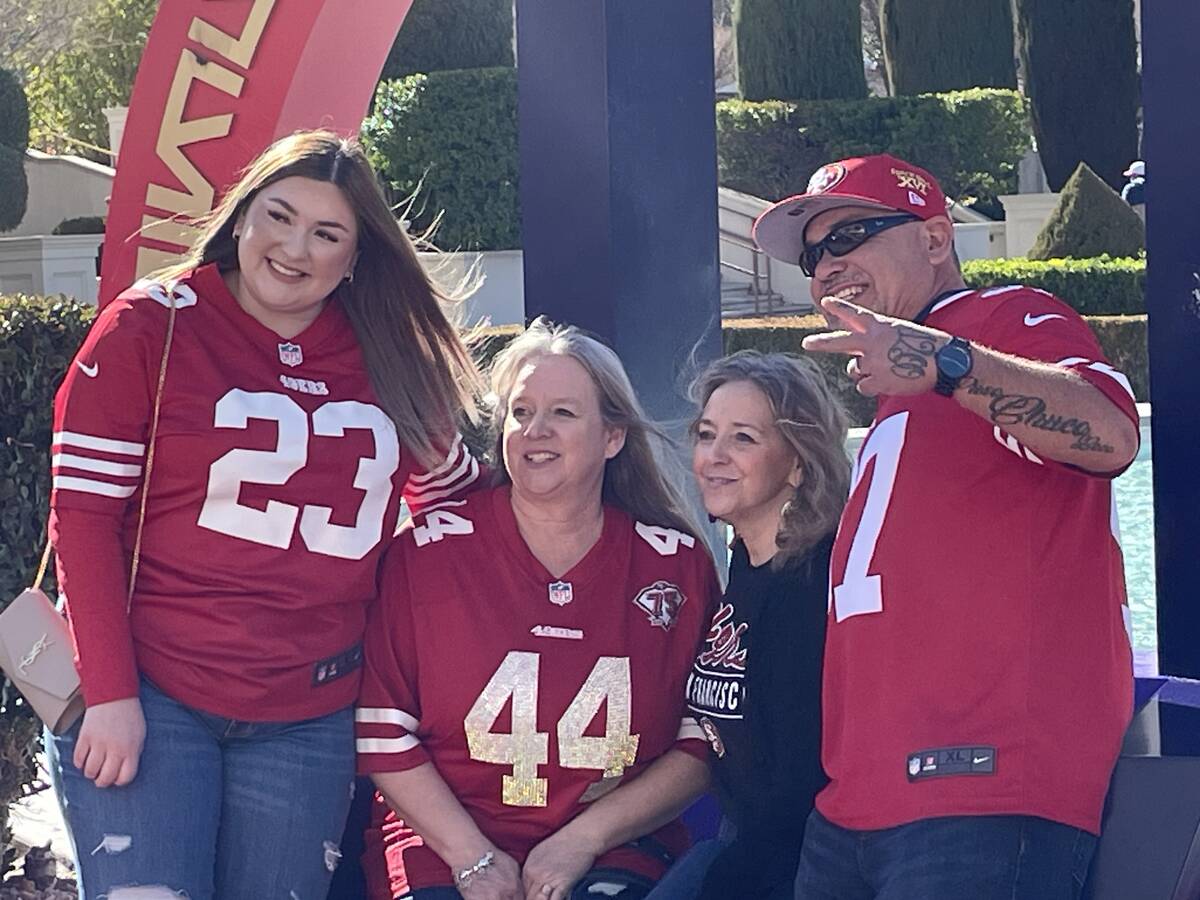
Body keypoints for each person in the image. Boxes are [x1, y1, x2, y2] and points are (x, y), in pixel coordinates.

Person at [47, 130, 483, 900]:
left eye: (327, 233)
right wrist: (110, 695)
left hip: (308, 710)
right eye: (279, 216)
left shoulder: (388, 353)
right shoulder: (152, 324)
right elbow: (82, 516)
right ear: (242, 214)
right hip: (152, 689)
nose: (294, 247)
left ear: (356, 258)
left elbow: (453, 506)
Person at [751, 153, 1139, 900]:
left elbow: (1112, 434)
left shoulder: (1001, 321)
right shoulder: (904, 389)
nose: (827, 265)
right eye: (813, 255)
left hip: (984, 792)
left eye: (852, 234)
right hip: (856, 809)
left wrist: (948, 362)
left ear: (935, 239)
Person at [356, 317, 720, 900]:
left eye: (564, 413)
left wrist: (582, 839)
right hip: (444, 847)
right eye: (521, 411)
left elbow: (702, 739)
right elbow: (380, 729)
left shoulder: (674, 565)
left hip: (618, 847)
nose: (534, 431)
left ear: (613, 437)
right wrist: (473, 859)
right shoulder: (426, 553)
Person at [646, 351, 850, 900]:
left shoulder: (816, 583)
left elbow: (801, 780)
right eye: (707, 434)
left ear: (798, 463)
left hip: (796, 867)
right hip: (742, 848)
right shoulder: (746, 564)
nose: (714, 456)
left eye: (743, 439)